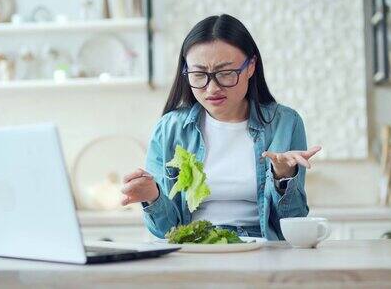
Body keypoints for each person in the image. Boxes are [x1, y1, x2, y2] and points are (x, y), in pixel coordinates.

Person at [121, 14, 321, 240]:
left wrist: (283, 177)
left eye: (226, 73)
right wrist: (152, 196)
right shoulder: (169, 129)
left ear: (251, 67)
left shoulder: (285, 123)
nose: (212, 88)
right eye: (199, 75)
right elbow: (165, 231)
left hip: (262, 251)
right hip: (194, 249)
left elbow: (293, 222)